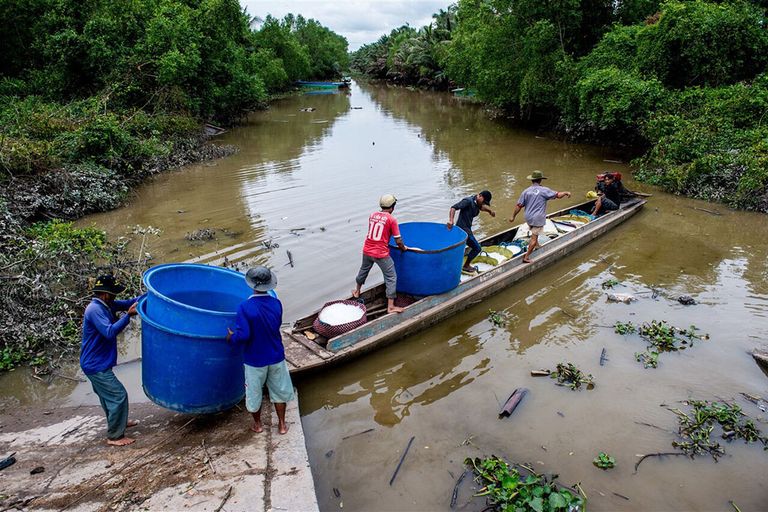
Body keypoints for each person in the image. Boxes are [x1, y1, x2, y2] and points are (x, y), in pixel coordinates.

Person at [227, 266, 294, 435]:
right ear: (269, 285)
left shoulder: (244, 307)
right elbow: (275, 326)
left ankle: (258, 425)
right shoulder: (276, 303)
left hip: (255, 360)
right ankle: (282, 425)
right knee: (279, 391)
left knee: (254, 393)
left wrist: (231, 337)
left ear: (252, 285)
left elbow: (244, 336)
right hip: (276, 356)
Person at [80, 275, 142, 446]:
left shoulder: (107, 305)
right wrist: (128, 316)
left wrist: (150, 296)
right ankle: (115, 436)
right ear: (106, 294)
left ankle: (119, 422)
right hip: (95, 364)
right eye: (113, 293)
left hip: (98, 362)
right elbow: (109, 332)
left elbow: (130, 301)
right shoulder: (94, 310)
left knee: (107, 396)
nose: (115, 296)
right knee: (118, 395)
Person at [353, 194, 408, 314]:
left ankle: (357, 291)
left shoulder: (372, 215)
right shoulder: (392, 219)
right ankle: (391, 307)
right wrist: (403, 248)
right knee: (391, 277)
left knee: (364, 270)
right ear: (393, 207)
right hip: (380, 253)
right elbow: (398, 240)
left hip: (367, 250)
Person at [509, 170, 571, 263]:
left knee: (534, 232)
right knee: (534, 238)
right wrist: (566, 192)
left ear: (532, 180)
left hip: (528, 217)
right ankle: (526, 257)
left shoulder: (526, 191)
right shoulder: (544, 190)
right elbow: (557, 195)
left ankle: (537, 245)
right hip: (537, 218)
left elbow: (519, 205)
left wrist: (513, 216)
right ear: (540, 180)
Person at [447, 190, 495, 273]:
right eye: (484, 202)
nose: (483, 204)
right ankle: (466, 266)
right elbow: (453, 207)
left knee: (458, 249)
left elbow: (481, 207)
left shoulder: (478, 203)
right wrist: (451, 220)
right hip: (463, 230)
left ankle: (452, 265)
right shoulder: (468, 201)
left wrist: (490, 211)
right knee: (477, 248)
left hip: (467, 229)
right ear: (479, 196)